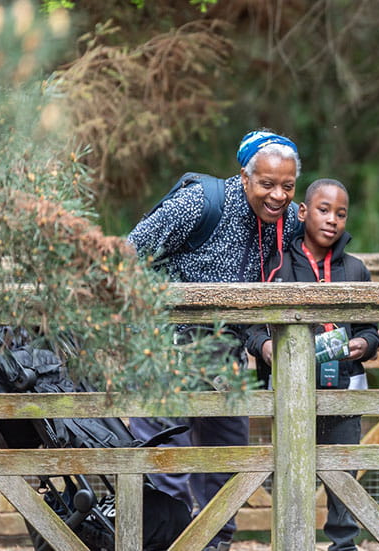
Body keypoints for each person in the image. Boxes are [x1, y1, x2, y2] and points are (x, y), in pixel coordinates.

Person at [127, 130, 302, 551]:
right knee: (167, 462)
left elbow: (317, 254)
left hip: (225, 357)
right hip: (164, 350)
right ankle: (165, 542)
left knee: (228, 460)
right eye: (267, 184)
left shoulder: (288, 219)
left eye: (288, 186)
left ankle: (214, 544)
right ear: (244, 178)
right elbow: (128, 252)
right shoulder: (201, 204)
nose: (278, 195)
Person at [244, 179, 379, 551]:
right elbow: (253, 329)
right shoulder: (276, 264)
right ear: (302, 212)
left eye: (340, 213)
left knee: (343, 476)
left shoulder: (355, 270)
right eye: (323, 210)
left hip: (345, 391)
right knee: (292, 475)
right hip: (290, 393)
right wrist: (267, 347)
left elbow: (371, 330)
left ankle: (344, 545)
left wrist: (362, 344)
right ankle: (293, 543)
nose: (332, 220)